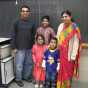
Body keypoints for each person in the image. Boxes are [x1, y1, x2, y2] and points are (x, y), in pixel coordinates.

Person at [11, 5, 35, 87]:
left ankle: (26, 77)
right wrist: (13, 47)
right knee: (19, 65)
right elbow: (13, 35)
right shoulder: (16, 22)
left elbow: (33, 35)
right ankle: (18, 79)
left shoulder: (32, 23)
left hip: (29, 47)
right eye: (23, 11)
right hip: (19, 48)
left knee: (29, 64)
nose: (25, 12)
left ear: (29, 13)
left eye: (26, 11)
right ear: (20, 12)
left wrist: (34, 47)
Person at [56, 10, 81, 88]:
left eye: (66, 16)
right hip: (61, 53)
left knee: (68, 73)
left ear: (70, 17)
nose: (64, 18)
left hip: (69, 55)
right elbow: (58, 37)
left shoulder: (74, 27)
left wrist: (73, 56)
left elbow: (76, 43)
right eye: (62, 17)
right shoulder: (60, 25)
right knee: (61, 71)